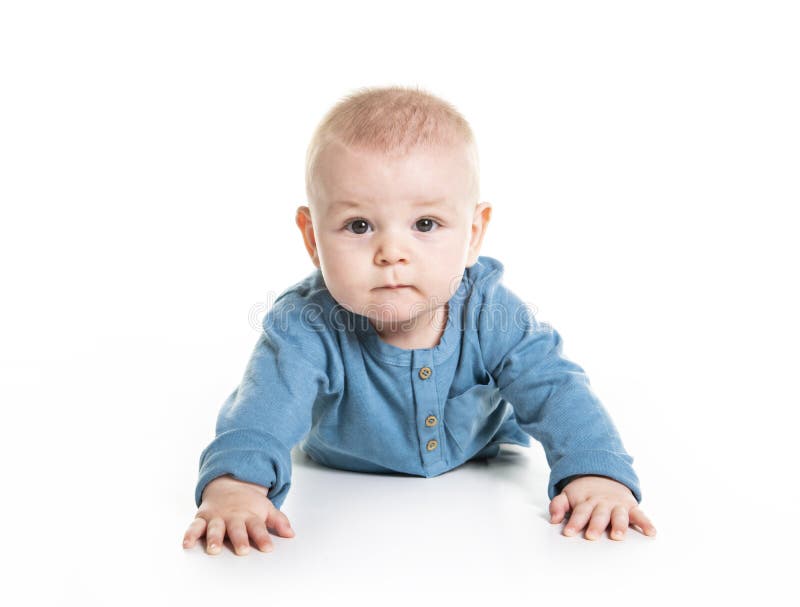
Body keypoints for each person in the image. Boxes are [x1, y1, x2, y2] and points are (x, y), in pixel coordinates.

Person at [183, 85, 657, 555]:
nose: (392, 253)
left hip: (478, 472)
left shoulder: (489, 312)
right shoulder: (305, 325)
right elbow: (262, 410)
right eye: (359, 226)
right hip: (341, 474)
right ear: (312, 238)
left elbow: (555, 387)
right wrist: (236, 486)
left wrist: (596, 472)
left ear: (473, 234)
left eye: (425, 225)